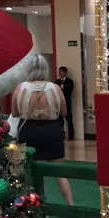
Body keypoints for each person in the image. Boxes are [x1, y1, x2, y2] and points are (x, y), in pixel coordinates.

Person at [11, 54, 74, 206]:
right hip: (52, 132)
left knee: (30, 173)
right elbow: (64, 112)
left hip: (28, 131)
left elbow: (14, 113)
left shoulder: (20, 88)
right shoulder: (55, 88)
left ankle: (35, 208)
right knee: (59, 173)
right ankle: (70, 205)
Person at [55, 66, 74, 140]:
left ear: (65, 72)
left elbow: (70, 91)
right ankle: (61, 134)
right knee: (60, 120)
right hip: (59, 102)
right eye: (59, 71)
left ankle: (71, 135)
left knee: (69, 119)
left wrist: (63, 88)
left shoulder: (70, 81)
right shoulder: (57, 82)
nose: (59, 73)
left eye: (61, 71)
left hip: (67, 102)